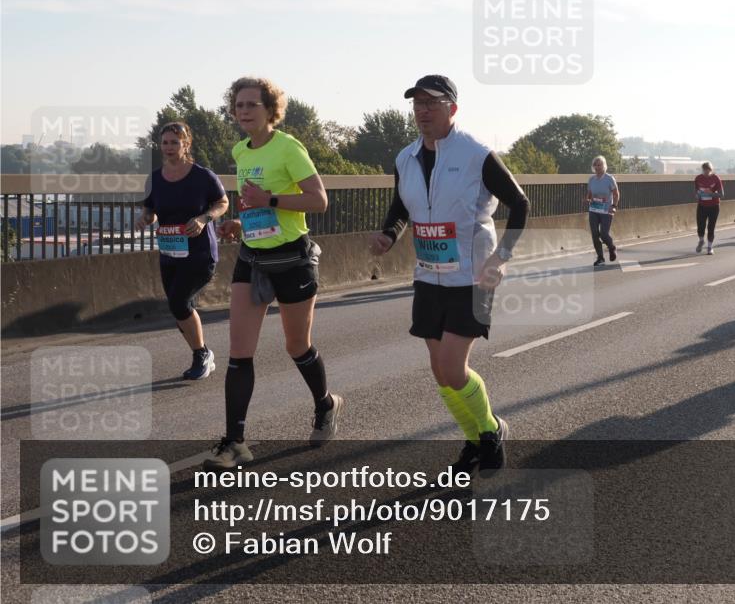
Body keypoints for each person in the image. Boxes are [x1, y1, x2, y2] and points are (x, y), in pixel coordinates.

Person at [371, 74, 529, 474]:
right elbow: (401, 207)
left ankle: (491, 431)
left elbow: (520, 203)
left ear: (452, 108)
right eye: (417, 103)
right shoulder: (405, 158)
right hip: (428, 274)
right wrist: (389, 235)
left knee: (454, 367)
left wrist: (502, 256)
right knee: (439, 370)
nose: (422, 110)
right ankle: (473, 440)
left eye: (432, 103)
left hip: (473, 276)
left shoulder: (477, 154)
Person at [204, 77, 343, 470]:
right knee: (238, 353)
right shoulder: (240, 150)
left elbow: (318, 200)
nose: (243, 111)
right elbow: (254, 203)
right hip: (253, 258)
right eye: (238, 105)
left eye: (251, 105)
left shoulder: (288, 147)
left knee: (296, 345)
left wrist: (272, 199)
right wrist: (240, 222)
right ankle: (235, 442)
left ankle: (326, 403)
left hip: (291, 260)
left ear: (270, 110)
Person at [136, 122, 229, 380]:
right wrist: (145, 218)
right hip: (169, 252)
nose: (168, 147)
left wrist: (203, 218)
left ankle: (201, 355)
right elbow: (150, 209)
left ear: (185, 144)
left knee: (179, 302)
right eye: (164, 142)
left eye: (174, 142)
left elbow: (222, 202)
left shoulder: (202, 176)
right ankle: (202, 352)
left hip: (200, 252)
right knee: (178, 307)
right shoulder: (154, 178)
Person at [585, 156, 619, 266]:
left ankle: (611, 247)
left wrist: (614, 206)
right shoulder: (591, 179)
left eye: (600, 165)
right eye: (596, 165)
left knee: (604, 234)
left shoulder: (609, 179)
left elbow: (616, 194)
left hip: (606, 210)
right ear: (593, 167)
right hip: (594, 210)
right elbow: (590, 194)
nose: (598, 167)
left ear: (604, 166)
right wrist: (587, 200)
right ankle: (600, 257)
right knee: (595, 234)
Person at [693, 161, 724, 254]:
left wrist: (711, 194)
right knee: (700, 226)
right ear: (702, 170)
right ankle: (701, 240)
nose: (706, 172)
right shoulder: (698, 178)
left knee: (711, 227)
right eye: (705, 170)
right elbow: (696, 193)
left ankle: (710, 247)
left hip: (714, 206)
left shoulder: (716, 178)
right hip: (702, 205)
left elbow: (721, 194)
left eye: (708, 170)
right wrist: (698, 195)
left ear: (711, 170)